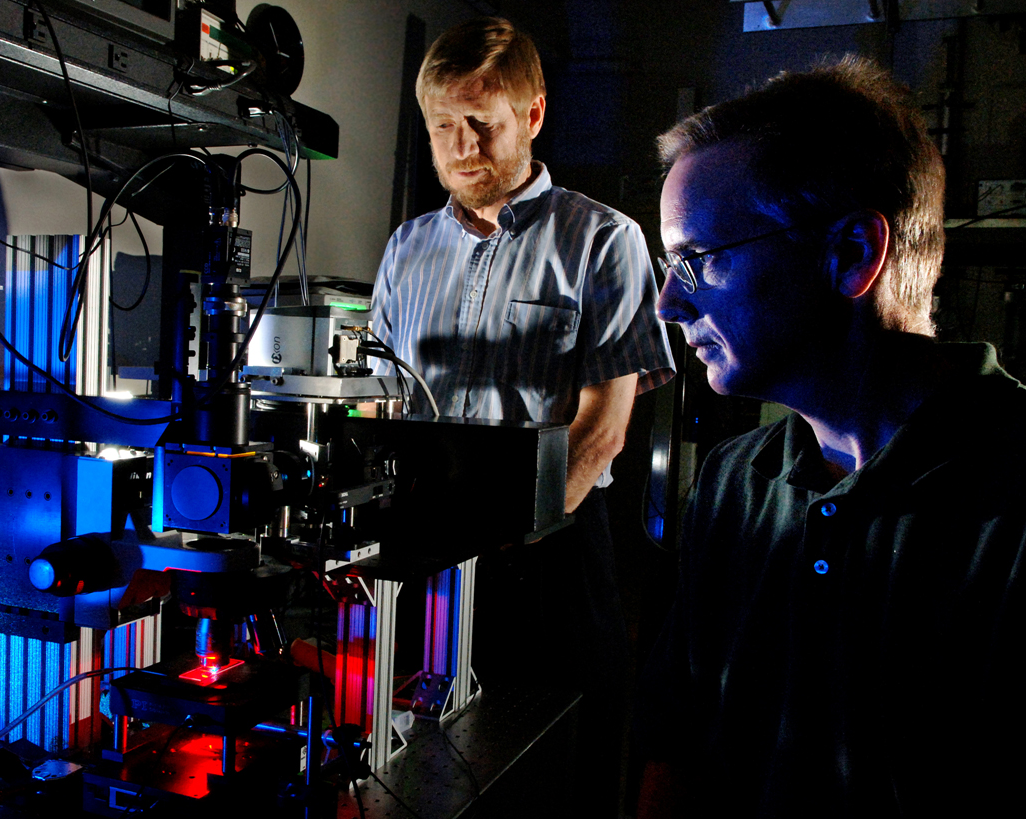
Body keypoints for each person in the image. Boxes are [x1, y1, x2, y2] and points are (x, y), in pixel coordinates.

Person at [638, 56, 1026, 817]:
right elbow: (679, 747)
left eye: (697, 261)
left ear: (850, 254)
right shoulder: (733, 482)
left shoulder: (1012, 497)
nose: (667, 304)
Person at [371, 16, 674, 816]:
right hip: (426, 552)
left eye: (483, 122)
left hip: (550, 559)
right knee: (417, 772)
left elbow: (603, 428)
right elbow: (377, 401)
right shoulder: (405, 250)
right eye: (443, 126)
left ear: (533, 114)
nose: (463, 146)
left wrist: (507, 534)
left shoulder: (602, 240)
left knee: (553, 773)